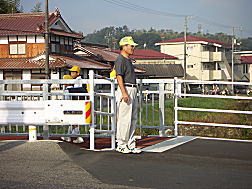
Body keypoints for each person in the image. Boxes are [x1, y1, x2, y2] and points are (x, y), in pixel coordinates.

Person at [114, 36, 141, 154]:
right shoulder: (120, 59)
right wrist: (124, 92)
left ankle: (130, 143)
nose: (133, 48)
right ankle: (121, 143)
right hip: (126, 89)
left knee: (132, 118)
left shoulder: (128, 59)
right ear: (124, 46)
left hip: (132, 88)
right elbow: (119, 76)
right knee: (124, 118)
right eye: (131, 46)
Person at [61, 66, 85, 143]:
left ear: (78, 73)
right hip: (73, 102)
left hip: (76, 102)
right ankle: (69, 135)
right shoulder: (75, 80)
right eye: (71, 72)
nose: (71, 73)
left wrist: (69, 87)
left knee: (74, 119)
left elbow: (79, 91)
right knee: (71, 118)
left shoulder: (78, 80)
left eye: (73, 72)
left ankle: (77, 136)